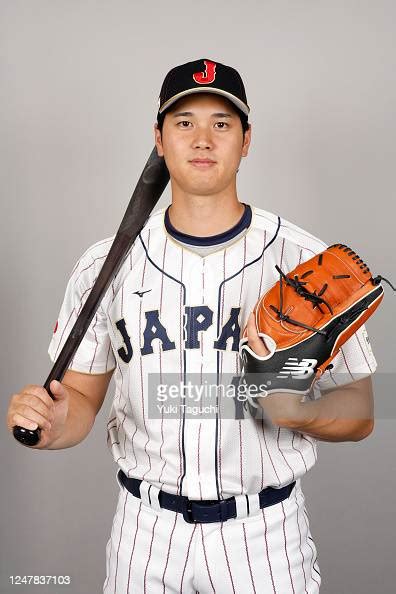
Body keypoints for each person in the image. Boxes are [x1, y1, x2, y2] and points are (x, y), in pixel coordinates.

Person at [7, 58, 377, 593]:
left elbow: (363, 409)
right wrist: (56, 424)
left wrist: (300, 409)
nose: (203, 138)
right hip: (144, 532)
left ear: (246, 140)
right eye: (184, 122)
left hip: (263, 537)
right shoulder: (104, 265)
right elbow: (81, 403)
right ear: (158, 138)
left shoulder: (304, 260)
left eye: (222, 124)